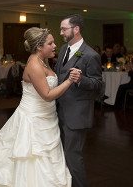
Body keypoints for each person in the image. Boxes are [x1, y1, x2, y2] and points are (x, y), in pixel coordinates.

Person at [0, 27, 81, 187]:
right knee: (34, 159)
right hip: (33, 120)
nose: (54, 46)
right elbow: (47, 95)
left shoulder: (41, 61)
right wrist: (69, 81)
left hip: (47, 118)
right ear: (39, 47)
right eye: (50, 43)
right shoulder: (34, 65)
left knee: (48, 160)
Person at [55, 14, 103, 187]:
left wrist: (82, 79)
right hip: (59, 111)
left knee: (73, 156)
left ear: (76, 29)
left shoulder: (91, 55)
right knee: (62, 155)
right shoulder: (62, 50)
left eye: (64, 29)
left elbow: (98, 85)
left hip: (77, 115)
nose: (61, 32)